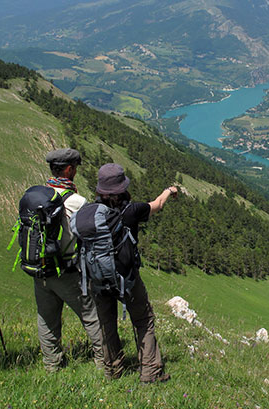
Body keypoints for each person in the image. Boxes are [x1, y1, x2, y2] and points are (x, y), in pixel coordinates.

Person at [92, 163, 177, 384]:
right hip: (127, 278)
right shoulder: (132, 210)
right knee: (144, 319)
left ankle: (112, 371)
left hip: (99, 278)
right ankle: (150, 372)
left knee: (106, 323)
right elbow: (158, 204)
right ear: (122, 188)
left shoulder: (93, 211)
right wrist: (169, 190)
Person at [34, 148, 104, 371]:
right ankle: (105, 361)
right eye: (74, 168)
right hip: (67, 271)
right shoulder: (77, 201)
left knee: (47, 319)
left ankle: (52, 365)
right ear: (68, 169)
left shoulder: (37, 196)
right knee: (92, 316)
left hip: (40, 269)